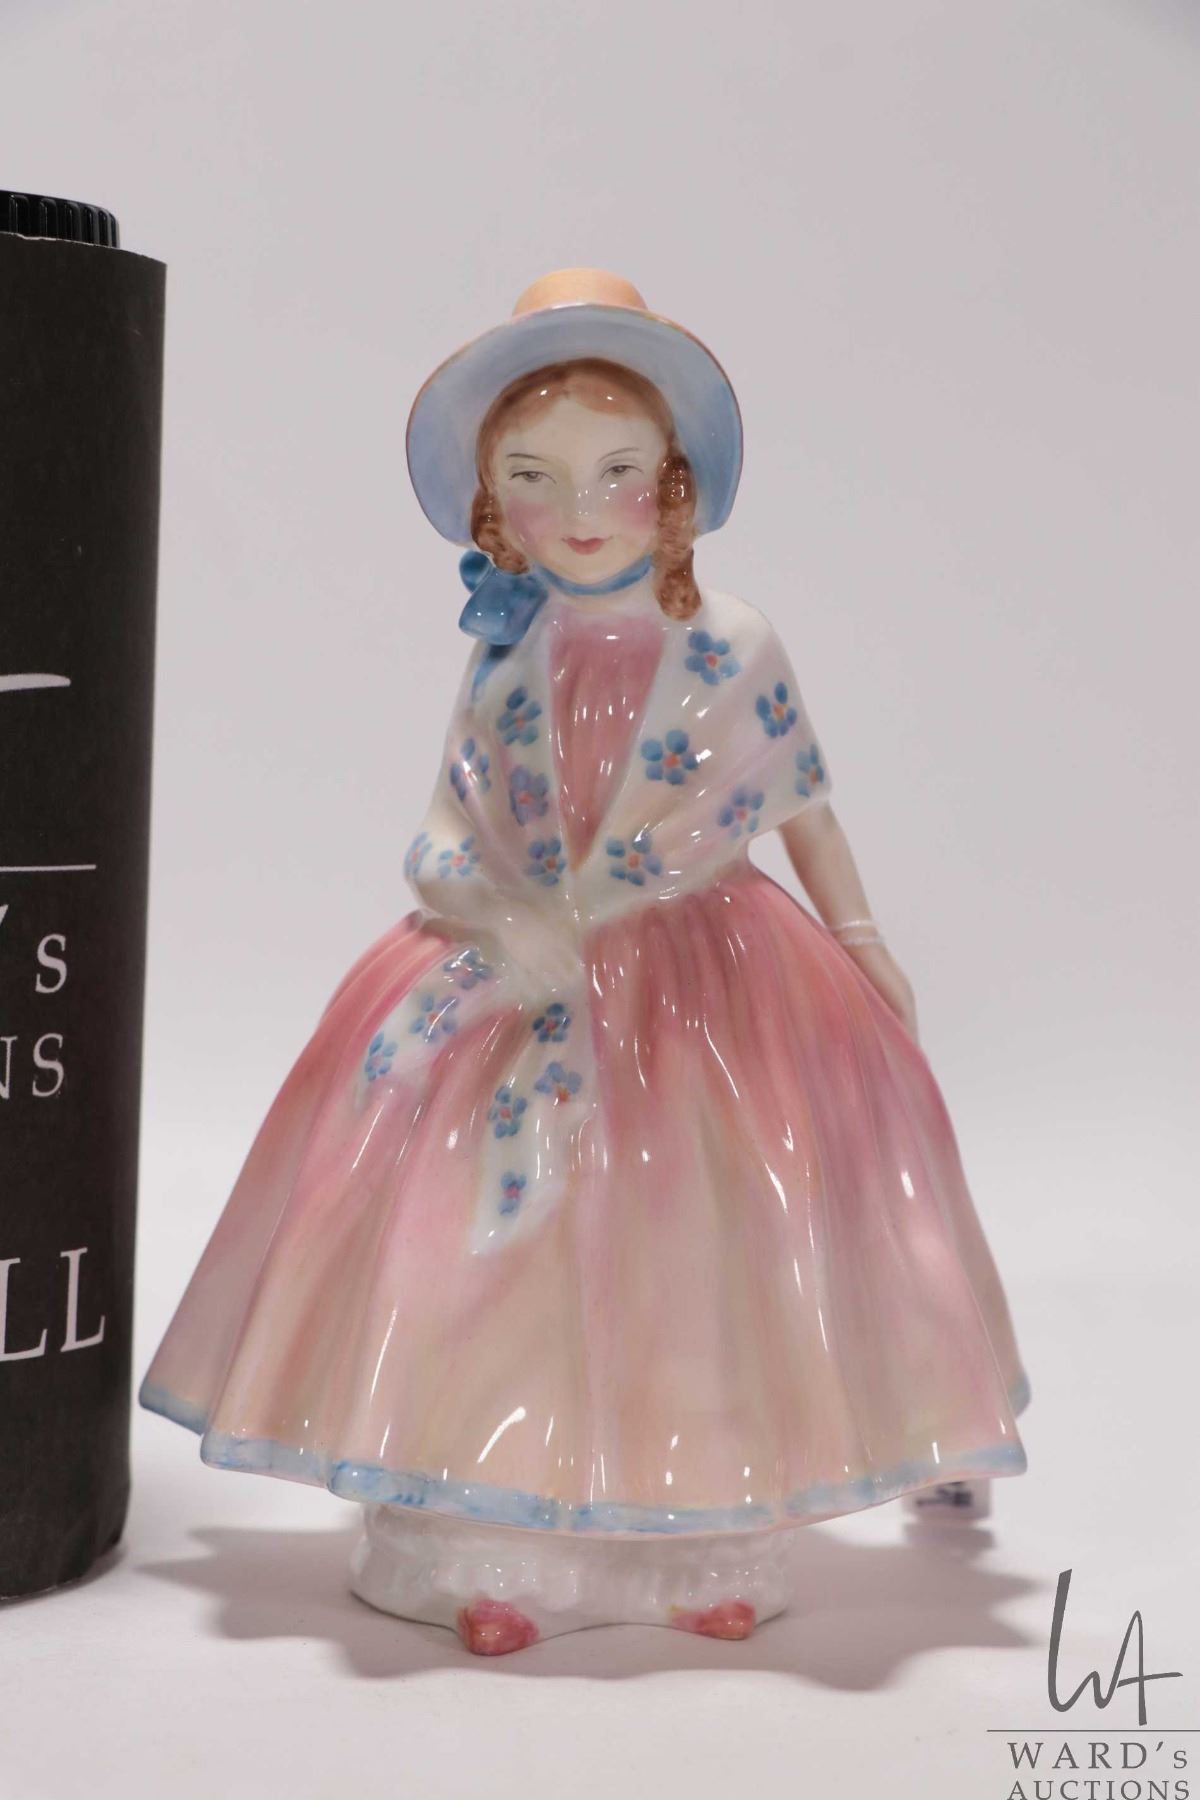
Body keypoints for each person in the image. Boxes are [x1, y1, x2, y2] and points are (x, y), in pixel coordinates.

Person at [141, 268, 1029, 1655]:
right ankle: (490, 1532)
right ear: (494, 504)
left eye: (616, 471)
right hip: (525, 973)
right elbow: (448, 827)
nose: (580, 507)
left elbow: (801, 806)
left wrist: (860, 941)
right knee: (489, 1244)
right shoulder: (509, 651)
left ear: (670, 484)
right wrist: (500, 917)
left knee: (702, 1237)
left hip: (705, 984)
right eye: (536, 478)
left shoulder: (728, 644)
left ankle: (703, 1527)